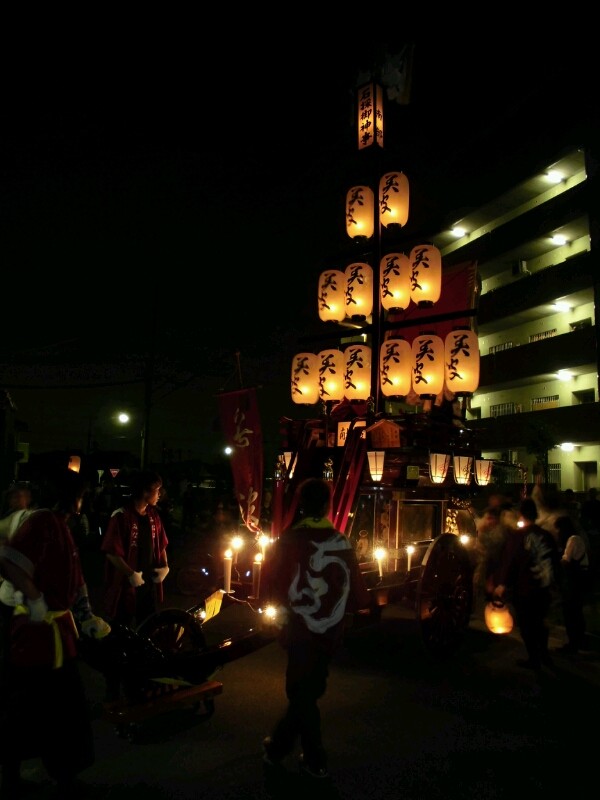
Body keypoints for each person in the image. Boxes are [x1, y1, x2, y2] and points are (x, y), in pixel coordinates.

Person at [0, 469, 110, 799]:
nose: (83, 502)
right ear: (71, 497)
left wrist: (85, 615)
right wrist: (34, 599)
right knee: (41, 709)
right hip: (37, 636)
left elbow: (74, 577)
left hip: (54, 633)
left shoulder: (57, 524)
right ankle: (47, 779)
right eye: (82, 496)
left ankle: (50, 776)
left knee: (42, 709)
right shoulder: (43, 522)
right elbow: (10, 561)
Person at [261, 477, 371, 785]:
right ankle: (295, 753)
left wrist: (275, 614)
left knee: (302, 693)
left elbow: (271, 583)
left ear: (301, 505)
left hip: (297, 631)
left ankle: (304, 756)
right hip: (328, 632)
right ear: (327, 506)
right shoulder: (340, 541)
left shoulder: (287, 540)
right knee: (308, 692)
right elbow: (358, 594)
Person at [493, 497, 560, 671]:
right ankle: (543, 654)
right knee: (540, 622)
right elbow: (554, 559)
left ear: (521, 515)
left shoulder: (518, 537)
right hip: (543, 587)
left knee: (527, 624)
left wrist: (502, 583)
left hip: (525, 588)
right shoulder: (546, 535)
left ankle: (534, 658)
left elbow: (510, 562)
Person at [101, 468, 169, 630]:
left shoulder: (153, 515)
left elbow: (161, 544)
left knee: (148, 628)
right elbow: (111, 552)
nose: (159, 494)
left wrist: (165, 566)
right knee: (121, 628)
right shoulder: (121, 516)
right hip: (125, 586)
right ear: (145, 491)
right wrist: (130, 574)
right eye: (157, 490)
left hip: (148, 584)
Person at [554, 514, 590, 654]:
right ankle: (579, 640)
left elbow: (566, 560)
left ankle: (573, 644)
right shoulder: (576, 538)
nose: (557, 532)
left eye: (558, 529)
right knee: (576, 612)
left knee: (571, 612)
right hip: (578, 581)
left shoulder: (573, 539)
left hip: (575, 582)